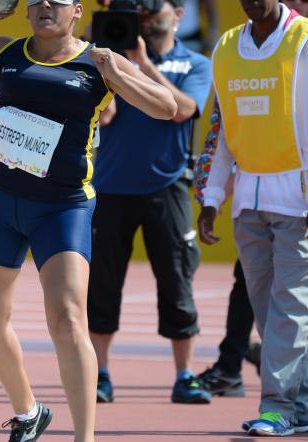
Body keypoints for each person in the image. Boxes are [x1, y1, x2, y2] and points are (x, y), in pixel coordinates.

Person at [0, 1, 176, 442]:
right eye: (36, 0)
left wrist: (119, 69)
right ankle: (28, 412)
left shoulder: (98, 63)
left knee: (69, 319)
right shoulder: (2, 51)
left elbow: (167, 108)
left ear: (76, 11)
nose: (45, 6)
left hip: (63, 208)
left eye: (56, 0)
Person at [195, 0, 308, 437]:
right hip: (249, 198)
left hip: (302, 201)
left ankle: (277, 406)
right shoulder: (227, 47)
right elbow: (221, 126)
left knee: (293, 305)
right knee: (267, 308)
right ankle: (298, 405)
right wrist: (210, 196)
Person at [86, 0, 212, 405]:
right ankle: (100, 375)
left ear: (178, 13)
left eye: (153, 6)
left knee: (177, 282)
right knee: (103, 286)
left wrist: (143, 64)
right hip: (110, 188)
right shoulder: (111, 59)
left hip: (167, 188)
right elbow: (104, 117)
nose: (145, 14)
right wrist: (114, 64)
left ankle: (185, 375)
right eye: (137, 8)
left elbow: (185, 110)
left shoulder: (195, 63)